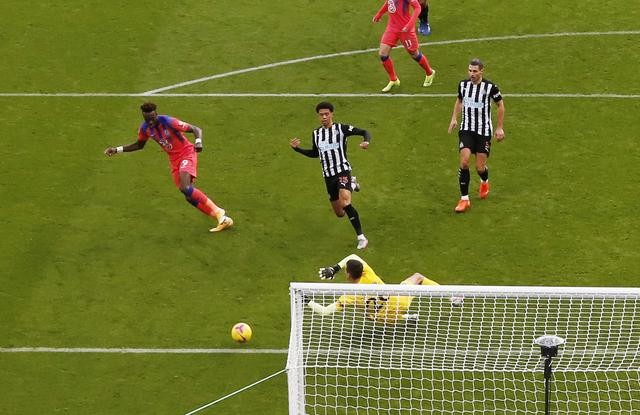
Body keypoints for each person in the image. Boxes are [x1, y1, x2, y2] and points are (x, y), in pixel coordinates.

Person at [104, 102, 233, 232]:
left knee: (185, 187)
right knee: (188, 196)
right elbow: (139, 145)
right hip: (174, 160)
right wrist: (117, 149)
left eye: (152, 118)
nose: (150, 122)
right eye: (147, 119)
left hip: (186, 153)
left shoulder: (168, 121)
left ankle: (219, 212)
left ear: (156, 114)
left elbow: (196, 129)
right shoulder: (145, 129)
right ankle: (223, 220)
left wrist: (198, 142)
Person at [289, 102, 371, 249]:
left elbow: (365, 132)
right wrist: (297, 149)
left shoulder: (342, 129)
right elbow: (315, 153)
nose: (324, 117)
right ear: (318, 116)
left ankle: (361, 237)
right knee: (340, 213)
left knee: (346, 203)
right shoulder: (316, 134)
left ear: (332, 114)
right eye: (321, 115)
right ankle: (352, 184)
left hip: (342, 171)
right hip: (328, 176)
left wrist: (366, 141)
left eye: (327, 114)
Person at [305, 254, 442, 324]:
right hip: (400, 302)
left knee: (365, 312)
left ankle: (407, 317)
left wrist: (306, 301)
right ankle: (452, 296)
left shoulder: (350, 296)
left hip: (382, 319)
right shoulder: (368, 273)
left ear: (348, 275)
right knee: (418, 278)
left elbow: (324, 311)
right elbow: (353, 256)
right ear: (362, 270)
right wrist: (335, 268)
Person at [447, 58, 505, 213]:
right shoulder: (463, 85)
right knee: (464, 162)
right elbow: (459, 100)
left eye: (474, 71)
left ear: (481, 71)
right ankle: (464, 199)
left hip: (483, 131)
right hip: (466, 129)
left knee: (480, 167)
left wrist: (499, 128)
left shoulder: (490, 87)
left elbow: (500, 105)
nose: (471, 74)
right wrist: (454, 118)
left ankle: (484, 181)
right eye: (469, 71)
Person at [372, 0, 435, 92]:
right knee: (383, 54)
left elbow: (417, 8)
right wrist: (379, 14)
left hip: (405, 29)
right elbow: (389, 3)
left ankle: (429, 72)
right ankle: (394, 79)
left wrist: (409, 25)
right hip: (392, 27)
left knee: (414, 54)